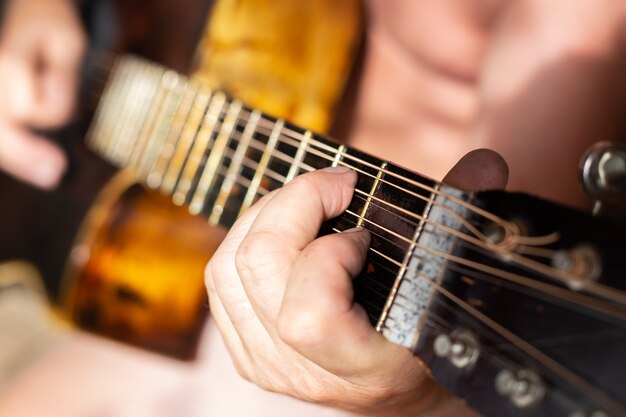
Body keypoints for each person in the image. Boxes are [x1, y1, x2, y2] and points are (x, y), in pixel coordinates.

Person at [0, 0, 624, 416]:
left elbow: (498, 295)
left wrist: (422, 400)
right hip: (185, 234)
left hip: (334, 297)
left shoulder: (574, 25)